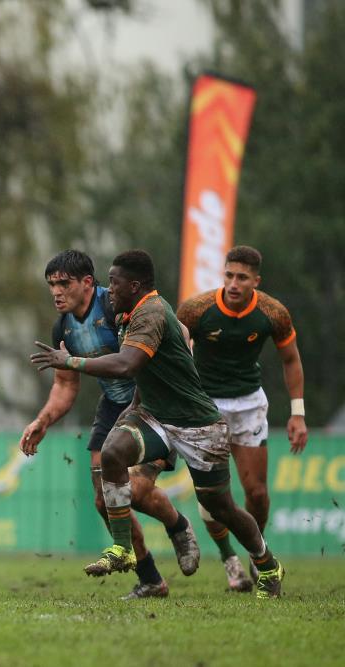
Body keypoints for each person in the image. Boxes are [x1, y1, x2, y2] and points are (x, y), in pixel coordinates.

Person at [30, 249, 285, 599]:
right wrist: (131, 411)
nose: (109, 289)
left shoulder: (149, 311)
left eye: (114, 283)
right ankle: (124, 550)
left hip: (196, 422)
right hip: (153, 413)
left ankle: (267, 563)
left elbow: (128, 365)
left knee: (221, 507)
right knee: (112, 455)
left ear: (133, 286)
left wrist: (72, 361)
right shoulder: (121, 312)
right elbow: (142, 372)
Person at [20, 250, 199, 600]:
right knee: (105, 500)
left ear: (88, 282)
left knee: (135, 491)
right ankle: (150, 579)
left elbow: (179, 329)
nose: (56, 291)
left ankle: (177, 525)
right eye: (51, 285)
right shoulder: (63, 327)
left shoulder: (116, 303)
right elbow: (65, 385)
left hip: (153, 405)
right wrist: (43, 420)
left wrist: (180, 373)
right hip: (113, 406)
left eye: (64, 283)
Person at [176, 245, 307, 591]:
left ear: (256, 281)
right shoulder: (196, 309)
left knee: (258, 494)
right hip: (205, 406)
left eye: (242, 278)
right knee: (212, 497)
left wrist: (297, 414)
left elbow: (291, 360)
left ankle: (256, 553)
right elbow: (172, 352)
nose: (234, 284)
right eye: (229, 275)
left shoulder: (272, 312)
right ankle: (229, 560)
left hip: (249, 405)